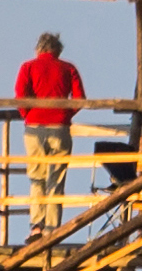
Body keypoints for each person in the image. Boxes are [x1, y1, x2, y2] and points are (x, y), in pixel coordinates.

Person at [14, 33, 94, 205]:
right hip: (59, 127)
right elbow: (80, 99)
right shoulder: (68, 68)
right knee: (56, 179)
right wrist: (65, 114)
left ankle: (37, 225)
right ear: (58, 50)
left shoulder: (28, 67)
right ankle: (52, 227)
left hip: (34, 126)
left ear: (39, 49)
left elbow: (20, 96)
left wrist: (27, 114)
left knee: (37, 178)